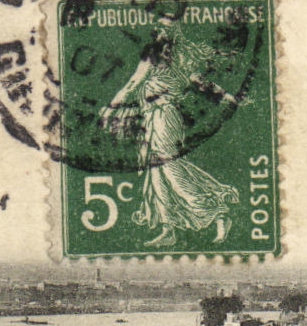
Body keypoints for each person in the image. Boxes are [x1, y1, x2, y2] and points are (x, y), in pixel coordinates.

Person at [99, 15, 242, 248]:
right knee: (157, 173)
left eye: (164, 28)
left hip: (163, 117)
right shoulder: (179, 59)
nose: (159, 31)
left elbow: (134, 84)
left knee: (171, 169)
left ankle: (216, 211)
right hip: (156, 118)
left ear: (172, 34)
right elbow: (202, 83)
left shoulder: (155, 57)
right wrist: (226, 96)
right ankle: (168, 228)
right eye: (159, 27)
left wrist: (110, 109)